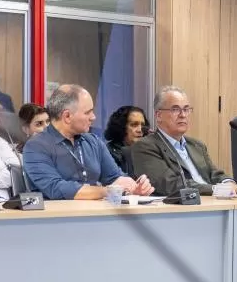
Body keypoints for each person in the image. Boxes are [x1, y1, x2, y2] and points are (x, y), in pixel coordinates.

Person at [22, 84, 154, 200]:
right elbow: (57, 189)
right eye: (88, 112)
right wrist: (107, 191)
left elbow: (115, 177)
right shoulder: (36, 146)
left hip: (96, 217)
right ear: (67, 116)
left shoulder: (93, 142)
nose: (93, 117)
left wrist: (134, 187)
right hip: (55, 221)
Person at [131, 86, 237, 199]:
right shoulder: (145, 146)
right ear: (159, 115)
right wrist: (218, 189)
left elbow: (214, 174)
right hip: (180, 209)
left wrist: (228, 183)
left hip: (213, 202)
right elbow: (170, 185)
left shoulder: (197, 145)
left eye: (186, 109)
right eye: (175, 109)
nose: (183, 115)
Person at [104, 105, 150, 175]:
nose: (140, 130)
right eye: (134, 125)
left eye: (143, 125)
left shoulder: (147, 151)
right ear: (121, 127)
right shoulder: (107, 153)